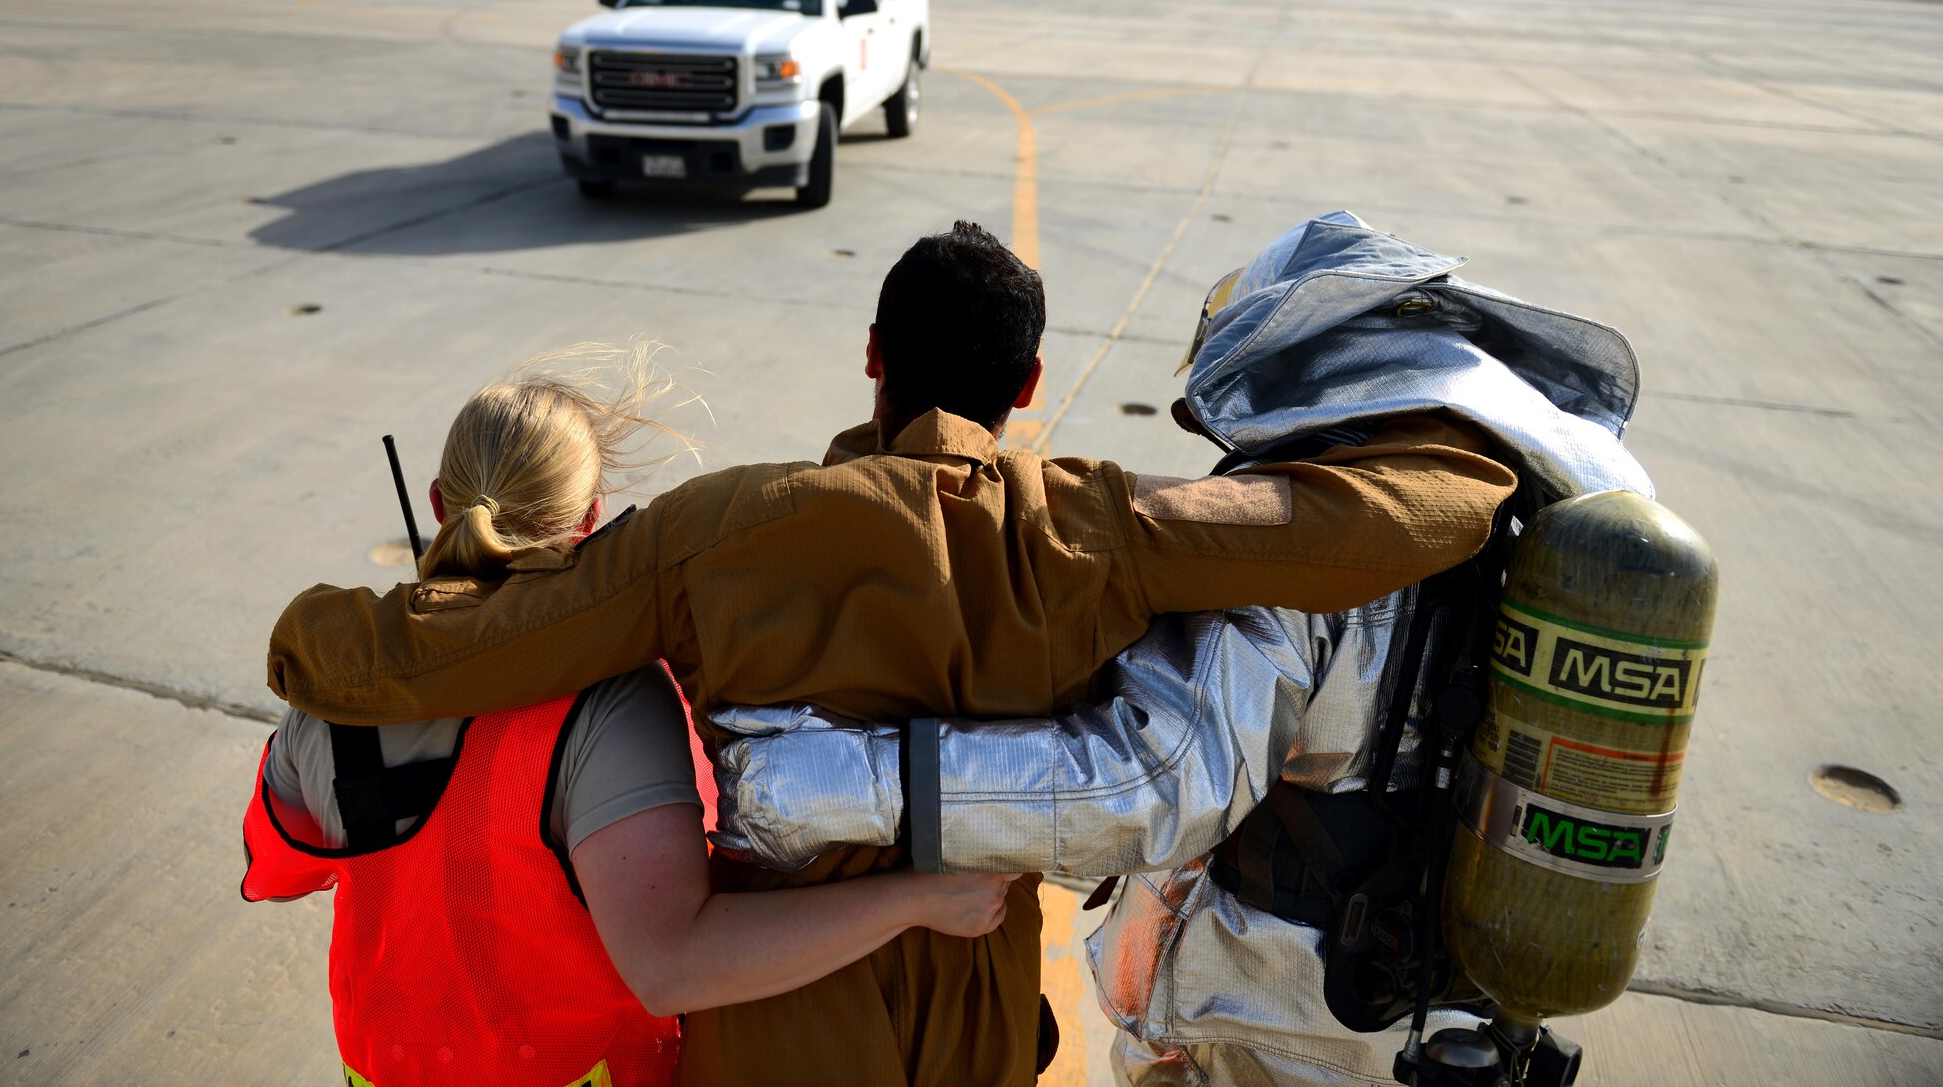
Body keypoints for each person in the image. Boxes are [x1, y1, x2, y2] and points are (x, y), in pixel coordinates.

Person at [264, 221, 1519, 1087]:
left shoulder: (714, 534)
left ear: (871, 354)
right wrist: (1481, 441)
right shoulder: (1097, 524)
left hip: (776, 1026)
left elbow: (480, 641)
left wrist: (315, 639)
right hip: (975, 1014)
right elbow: (1386, 518)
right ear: (1027, 380)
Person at [705, 213, 1657, 1085]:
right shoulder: (1521, 523)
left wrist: (821, 782)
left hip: (1275, 1019)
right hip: (1451, 1009)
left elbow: (1151, 784)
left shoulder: (1314, 552)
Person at [240, 349, 1017, 1087]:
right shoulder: (607, 702)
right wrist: (918, 899)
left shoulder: (339, 686)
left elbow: (278, 869)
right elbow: (670, 965)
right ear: (591, 523)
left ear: (442, 505)